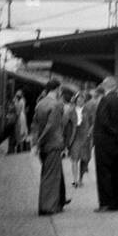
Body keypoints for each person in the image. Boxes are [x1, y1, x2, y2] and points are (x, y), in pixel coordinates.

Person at [29, 80, 73, 215]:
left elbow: (35, 126)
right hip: (53, 144)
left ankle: (51, 203)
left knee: (47, 174)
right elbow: (52, 126)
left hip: (44, 146)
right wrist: (39, 143)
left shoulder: (40, 104)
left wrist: (35, 143)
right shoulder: (56, 105)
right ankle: (48, 207)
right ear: (58, 89)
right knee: (51, 177)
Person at [93, 76, 118, 211]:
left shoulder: (104, 100)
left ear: (105, 86)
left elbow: (103, 121)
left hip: (104, 141)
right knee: (116, 170)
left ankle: (106, 203)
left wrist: (115, 132)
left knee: (104, 172)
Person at [68, 87, 93, 187]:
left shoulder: (88, 110)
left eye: (82, 99)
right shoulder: (71, 110)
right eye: (78, 99)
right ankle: (75, 180)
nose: (80, 101)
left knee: (84, 158)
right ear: (76, 100)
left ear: (84, 100)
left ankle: (81, 178)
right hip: (75, 135)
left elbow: (93, 123)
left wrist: (89, 132)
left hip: (85, 136)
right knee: (74, 158)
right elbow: (67, 124)